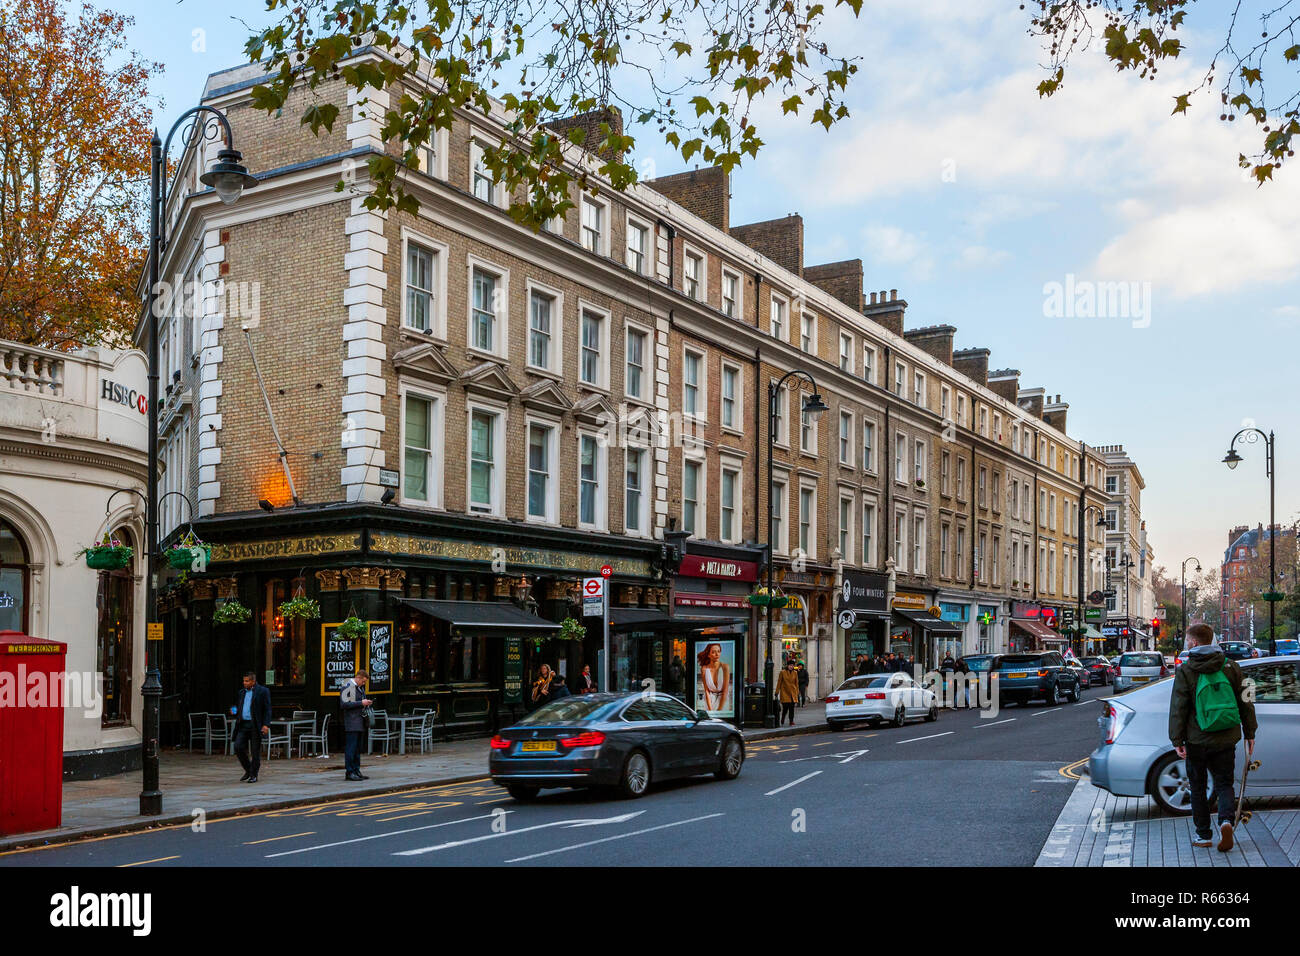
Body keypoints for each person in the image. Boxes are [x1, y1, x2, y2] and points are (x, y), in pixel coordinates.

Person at [1169, 623, 1257, 851]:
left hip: (1197, 739)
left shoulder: (1186, 670)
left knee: (1197, 787)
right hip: (1226, 737)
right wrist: (1250, 732)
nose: (1187, 644)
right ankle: (1226, 822)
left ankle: (1203, 835)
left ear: (1194, 642)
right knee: (1224, 783)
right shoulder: (1231, 666)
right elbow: (1247, 700)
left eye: (1188, 641)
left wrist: (1177, 740)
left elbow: (1178, 707)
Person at [232, 671, 270, 783]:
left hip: (255, 725)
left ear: (253, 681)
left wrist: (266, 724)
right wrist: (234, 710)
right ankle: (249, 770)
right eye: (244, 681)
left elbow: (267, 709)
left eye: (247, 681)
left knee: (255, 751)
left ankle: (254, 775)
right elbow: (239, 706)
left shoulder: (263, 691)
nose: (244, 683)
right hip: (243, 724)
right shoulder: (241, 692)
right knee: (238, 747)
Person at [340, 669, 372, 782]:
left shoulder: (359, 688)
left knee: (357, 749)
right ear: (358, 677)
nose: (363, 684)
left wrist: (365, 703)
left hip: (359, 721)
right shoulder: (348, 685)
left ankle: (356, 770)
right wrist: (361, 703)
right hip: (352, 722)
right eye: (363, 681)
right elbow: (344, 704)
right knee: (351, 748)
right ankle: (349, 772)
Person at [696, 643, 730, 714]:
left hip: (723, 700)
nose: (717, 654)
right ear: (708, 655)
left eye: (718, 651)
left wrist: (718, 711)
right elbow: (706, 691)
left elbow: (725, 691)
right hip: (710, 700)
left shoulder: (725, 667)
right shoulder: (704, 669)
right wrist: (711, 710)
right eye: (713, 652)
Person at [775, 659, 800, 726]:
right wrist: (777, 692)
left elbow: (796, 683)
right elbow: (779, 682)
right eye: (790, 665)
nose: (791, 666)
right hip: (785, 693)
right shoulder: (782, 672)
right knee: (785, 708)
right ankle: (783, 718)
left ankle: (791, 721)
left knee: (792, 709)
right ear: (787, 665)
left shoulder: (795, 673)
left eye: (792, 665)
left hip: (793, 693)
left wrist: (797, 692)